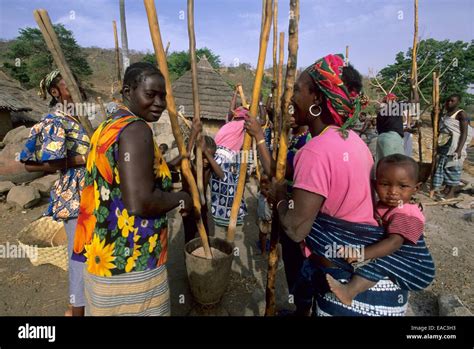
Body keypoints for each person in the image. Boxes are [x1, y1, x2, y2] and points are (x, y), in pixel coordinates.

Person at [270, 54, 409, 316]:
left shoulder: (315, 151)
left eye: (297, 90)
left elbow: (296, 229)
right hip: (381, 286)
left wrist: (279, 197)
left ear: (317, 99)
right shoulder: (356, 143)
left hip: (349, 293)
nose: (291, 98)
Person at [72, 62, 192, 316]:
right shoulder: (137, 130)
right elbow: (139, 201)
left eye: (163, 96)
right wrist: (181, 198)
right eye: (150, 95)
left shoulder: (107, 128)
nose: (159, 102)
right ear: (127, 92)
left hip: (102, 262)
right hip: (132, 265)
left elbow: (124, 180)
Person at [20, 69, 90, 317]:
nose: (76, 88)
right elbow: (30, 164)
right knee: (79, 256)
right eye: (68, 85)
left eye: (76, 83)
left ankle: (85, 305)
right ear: (54, 92)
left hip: (91, 194)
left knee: (90, 253)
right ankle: (76, 311)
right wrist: (82, 159)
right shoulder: (55, 121)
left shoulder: (79, 119)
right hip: (75, 197)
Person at [326, 154, 435, 305]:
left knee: (380, 262)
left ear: (416, 188)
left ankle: (349, 291)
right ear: (374, 184)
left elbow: (394, 243)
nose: (393, 192)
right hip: (402, 261)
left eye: (402, 186)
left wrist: (360, 254)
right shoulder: (383, 206)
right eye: (385, 184)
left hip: (417, 269)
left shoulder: (407, 213)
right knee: (381, 261)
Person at [182, 133, 224, 243]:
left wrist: (206, 153)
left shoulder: (208, 169)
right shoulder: (189, 166)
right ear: (196, 152)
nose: (206, 160)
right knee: (189, 237)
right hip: (189, 207)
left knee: (205, 236)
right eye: (203, 157)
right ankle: (188, 259)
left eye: (209, 157)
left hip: (203, 207)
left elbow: (221, 175)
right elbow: (185, 154)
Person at [210, 106, 248, 227]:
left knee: (218, 190)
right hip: (224, 159)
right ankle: (229, 218)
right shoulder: (243, 124)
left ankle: (219, 216)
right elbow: (261, 122)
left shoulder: (228, 125)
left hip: (216, 158)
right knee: (230, 190)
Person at [432, 94, 472, 199]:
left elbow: (464, 133)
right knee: (444, 166)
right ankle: (446, 189)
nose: (449, 103)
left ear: (458, 102)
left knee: (453, 167)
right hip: (445, 143)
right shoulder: (445, 114)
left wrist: (459, 150)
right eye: (448, 101)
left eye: (452, 101)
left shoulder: (461, 114)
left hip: (454, 145)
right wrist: (435, 114)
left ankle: (451, 192)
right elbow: (437, 128)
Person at [375, 93, 405, 164]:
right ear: (393, 100)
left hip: (381, 139)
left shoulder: (380, 113)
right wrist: (414, 87)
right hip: (392, 139)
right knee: (397, 164)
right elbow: (415, 101)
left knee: (381, 164)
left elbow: (379, 129)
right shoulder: (397, 107)